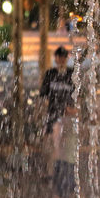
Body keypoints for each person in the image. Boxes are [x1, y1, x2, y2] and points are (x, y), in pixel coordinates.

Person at [40, 46, 74, 177]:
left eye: (63, 57)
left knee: (66, 145)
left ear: (66, 58)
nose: (60, 60)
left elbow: (78, 95)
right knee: (52, 144)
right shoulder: (50, 74)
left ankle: (63, 172)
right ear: (55, 58)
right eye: (58, 57)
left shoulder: (71, 74)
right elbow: (43, 95)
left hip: (68, 115)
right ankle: (52, 172)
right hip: (53, 114)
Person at [50, 98, 78, 198]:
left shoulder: (65, 122)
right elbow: (57, 142)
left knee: (63, 192)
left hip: (67, 161)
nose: (78, 110)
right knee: (63, 193)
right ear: (68, 108)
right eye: (75, 107)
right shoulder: (65, 122)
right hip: (65, 161)